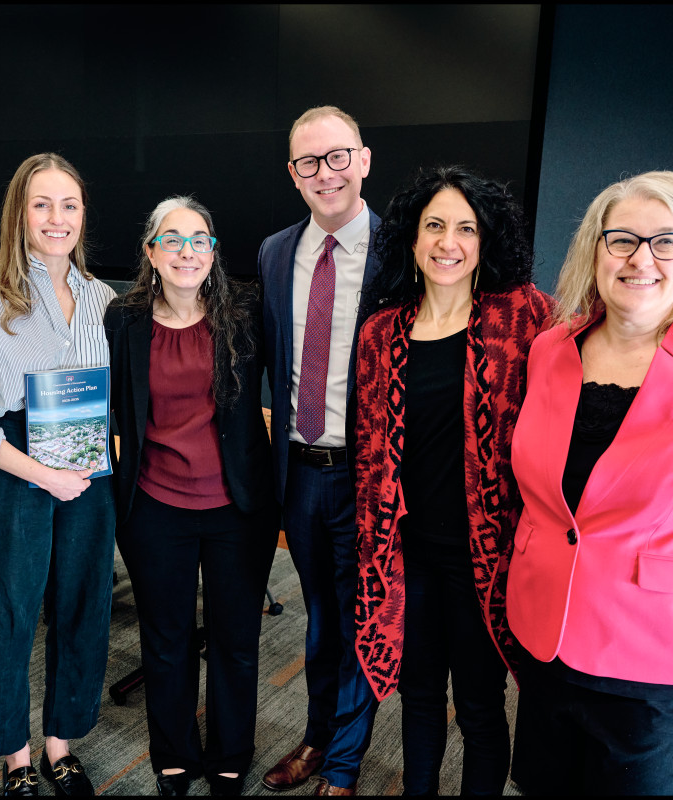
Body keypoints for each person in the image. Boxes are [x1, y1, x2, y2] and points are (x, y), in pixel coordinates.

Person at [353, 165, 554, 796]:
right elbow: (369, 456)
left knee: (479, 704)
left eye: (466, 228)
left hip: (485, 557)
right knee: (417, 697)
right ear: (412, 239)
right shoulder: (381, 333)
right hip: (407, 553)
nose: (448, 242)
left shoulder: (523, 318)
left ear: (486, 239)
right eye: (434, 226)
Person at [506, 170, 673, 795]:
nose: (642, 258)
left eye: (667, 241)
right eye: (623, 239)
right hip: (545, 637)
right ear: (595, 249)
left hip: (655, 657)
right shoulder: (550, 348)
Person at [0, 153, 117, 797]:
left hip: (88, 468)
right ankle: (15, 753)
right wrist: (43, 474)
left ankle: (59, 743)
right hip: (13, 465)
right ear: (18, 213)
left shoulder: (104, 299)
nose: (56, 218)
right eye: (41, 204)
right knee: (7, 611)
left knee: (83, 605)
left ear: (83, 214)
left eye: (69, 205)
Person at [104, 196, 278, 797]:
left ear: (213, 251)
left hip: (238, 509)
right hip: (154, 508)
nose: (187, 251)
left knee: (236, 639)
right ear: (150, 252)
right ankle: (174, 753)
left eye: (199, 239)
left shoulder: (245, 312)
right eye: (172, 240)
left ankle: (231, 753)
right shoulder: (124, 319)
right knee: (166, 639)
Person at [259, 105, 380, 797]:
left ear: (362, 160)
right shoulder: (276, 252)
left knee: (363, 618)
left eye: (337, 157)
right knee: (320, 618)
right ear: (293, 174)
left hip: (368, 475)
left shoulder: (403, 251)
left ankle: (343, 762)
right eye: (309, 162)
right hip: (299, 474)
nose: (325, 173)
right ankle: (316, 735)